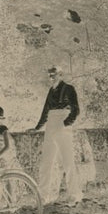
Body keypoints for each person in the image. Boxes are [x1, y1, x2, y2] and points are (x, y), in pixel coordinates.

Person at [33, 64, 82, 206]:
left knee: (68, 161)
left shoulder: (69, 89)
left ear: (60, 75)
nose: (51, 78)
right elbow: (46, 111)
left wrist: (66, 123)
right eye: (49, 75)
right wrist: (37, 127)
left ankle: (74, 195)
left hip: (62, 123)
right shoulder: (51, 90)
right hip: (51, 125)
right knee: (46, 162)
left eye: (53, 75)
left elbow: (76, 109)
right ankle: (43, 196)